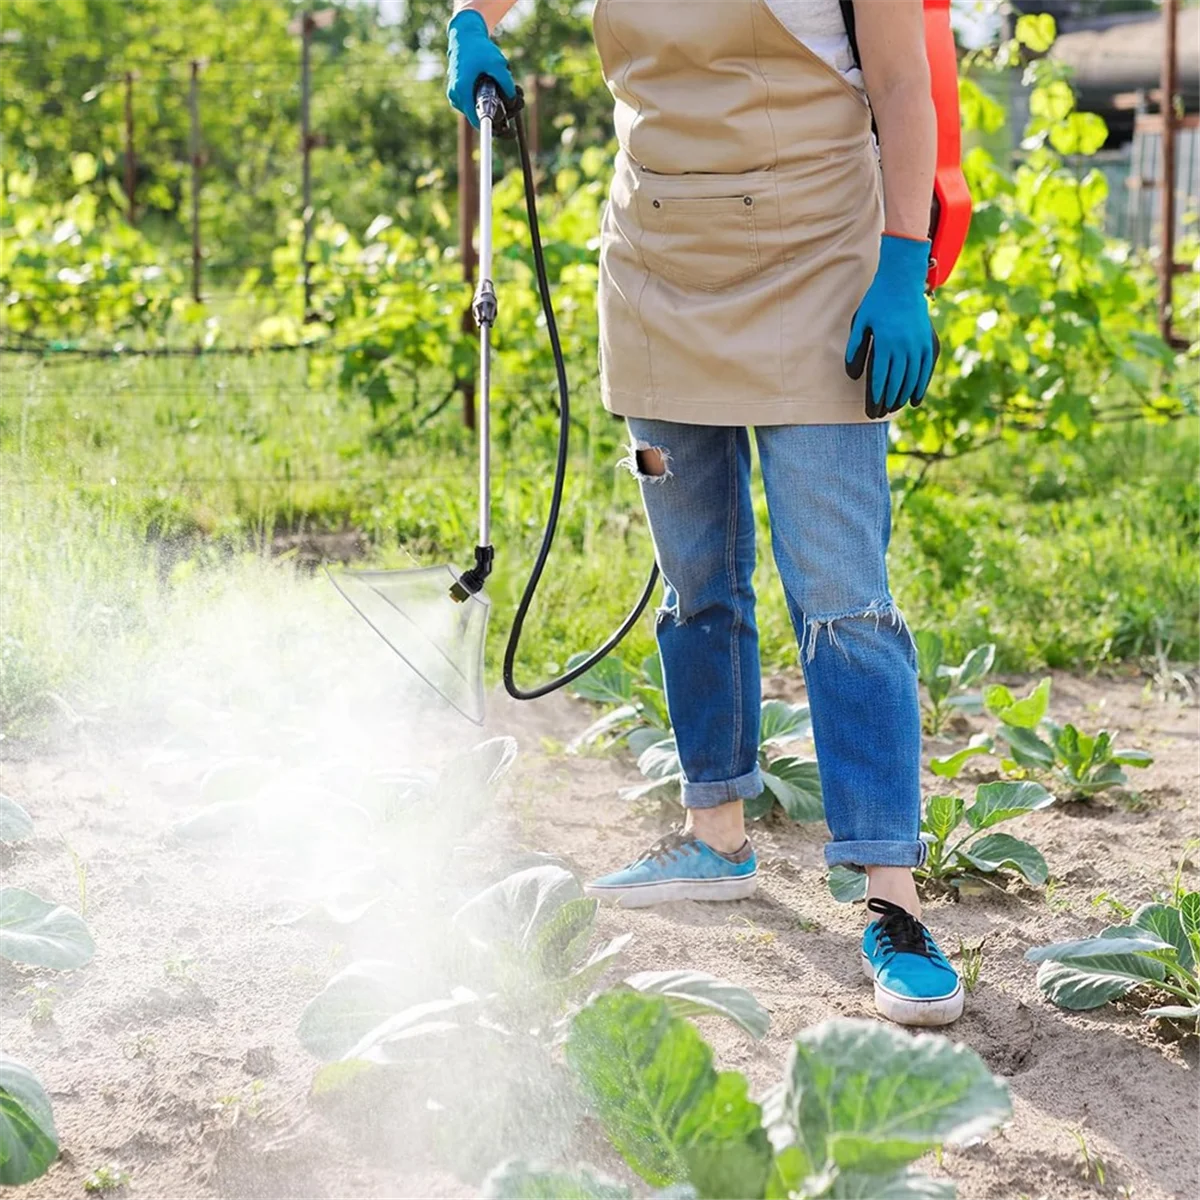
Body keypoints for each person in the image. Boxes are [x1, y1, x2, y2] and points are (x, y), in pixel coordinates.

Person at [445, 0, 963, 1027]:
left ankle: (892, 901)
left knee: (842, 594)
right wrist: (469, 19)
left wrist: (905, 264)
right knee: (692, 576)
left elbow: (903, 86)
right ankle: (715, 831)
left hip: (822, 261)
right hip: (657, 270)